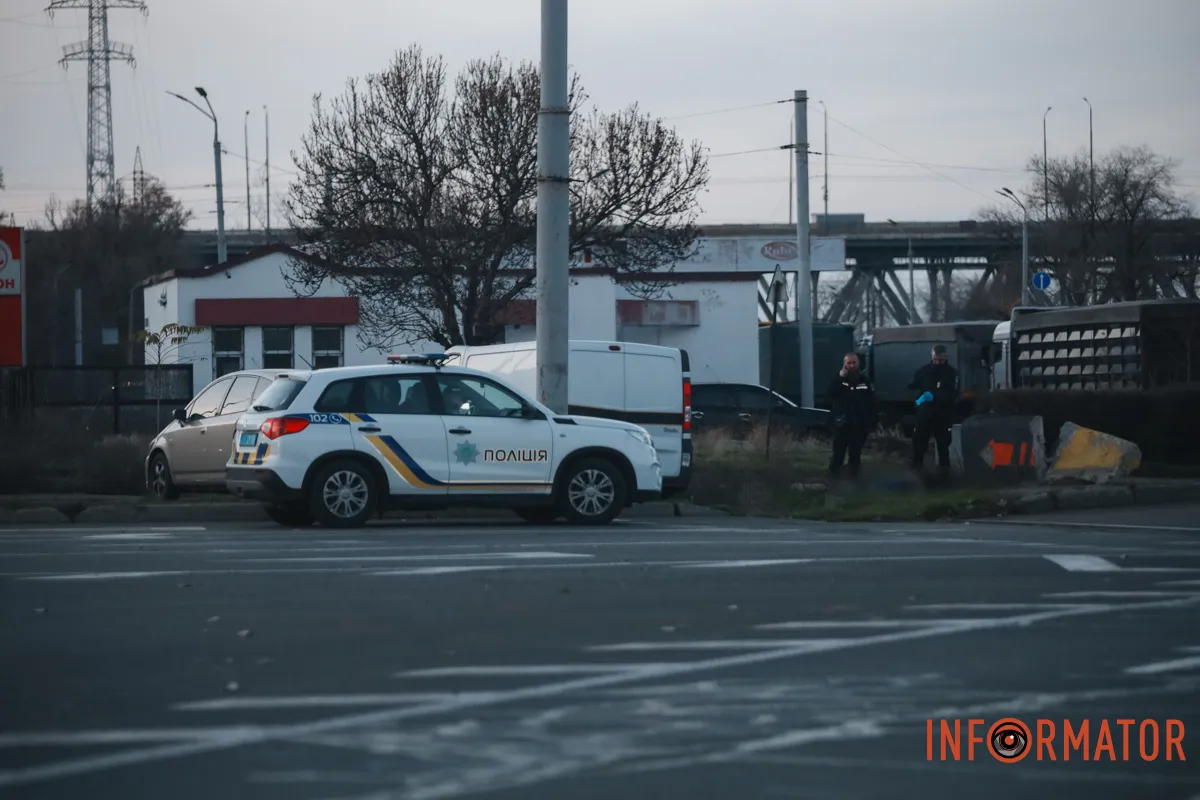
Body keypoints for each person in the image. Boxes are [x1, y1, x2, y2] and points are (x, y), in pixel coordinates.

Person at [908, 344, 960, 480]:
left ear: (945, 357)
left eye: (940, 360)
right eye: (935, 359)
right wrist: (917, 400)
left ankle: (944, 471)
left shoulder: (951, 374)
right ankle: (917, 468)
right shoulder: (923, 372)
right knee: (919, 441)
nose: (938, 362)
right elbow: (911, 387)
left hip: (943, 414)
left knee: (943, 444)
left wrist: (935, 397)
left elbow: (953, 395)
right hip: (924, 413)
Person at [826, 352, 876, 480]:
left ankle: (854, 480)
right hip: (841, 424)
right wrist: (840, 378)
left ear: (858, 363)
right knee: (838, 455)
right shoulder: (838, 380)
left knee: (855, 455)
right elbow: (830, 394)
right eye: (849, 363)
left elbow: (871, 402)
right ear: (844, 364)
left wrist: (870, 423)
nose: (852, 365)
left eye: (854, 362)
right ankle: (833, 480)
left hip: (858, 424)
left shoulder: (864, 381)